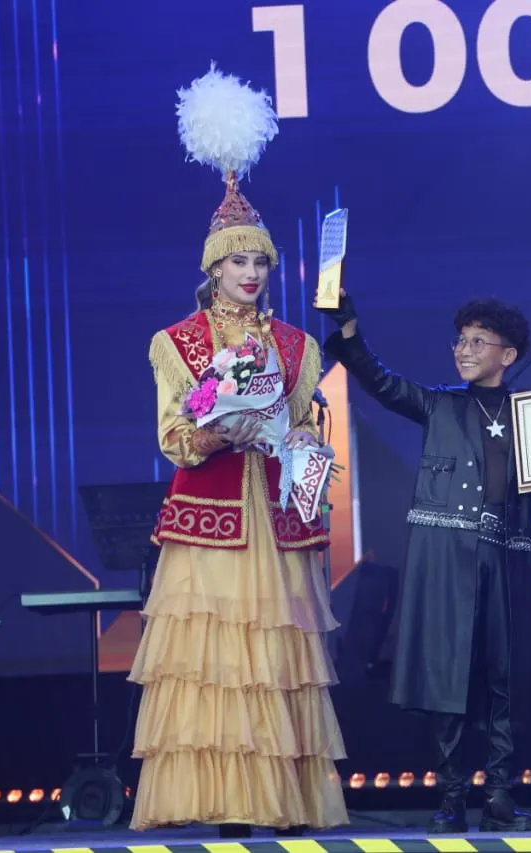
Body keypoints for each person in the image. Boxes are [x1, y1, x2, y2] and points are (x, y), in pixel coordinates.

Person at [128, 66, 348, 835]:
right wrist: (223, 427)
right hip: (212, 520)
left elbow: (305, 424)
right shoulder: (179, 343)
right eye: (236, 262)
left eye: (259, 263)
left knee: (277, 659)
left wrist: (305, 449)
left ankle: (280, 804)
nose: (250, 274)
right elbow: (173, 436)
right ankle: (226, 809)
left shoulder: (294, 345)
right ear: (212, 268)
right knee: (218, 662)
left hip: (277, 520)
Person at [318, 293, 531, 833]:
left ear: (507, 355)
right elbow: (380, 381)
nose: (463, 350)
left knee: (506, 673)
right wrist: (349, 331)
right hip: (447, 557)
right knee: (447, 673)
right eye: (460, 340)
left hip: (507, 556)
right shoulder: (439, 404)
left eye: (477, 341)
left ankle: (501, 796)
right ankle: (452, 796)